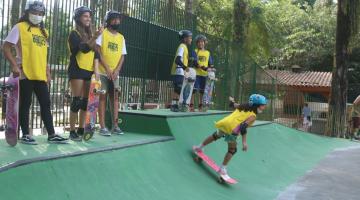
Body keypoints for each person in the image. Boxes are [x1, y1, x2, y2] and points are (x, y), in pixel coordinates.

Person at [2, 0, 68, 144]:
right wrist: (14, 65)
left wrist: (47, 72)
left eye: (40, 14)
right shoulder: (19, 27)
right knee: (26, 104)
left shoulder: (44, 32)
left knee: (46, 103)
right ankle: (25, 134)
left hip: (40, 74)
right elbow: (6, 47)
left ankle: (52, 134)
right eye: (34, 13)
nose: (37, 16)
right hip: (24, 72)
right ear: (27, 13)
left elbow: (42, 54)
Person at [193, 94, 267, 176]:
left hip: (225, 123)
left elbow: (233, 104)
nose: (264, 107)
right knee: (232, 150)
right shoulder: (253, 115)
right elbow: (243, 127)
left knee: (215, 136)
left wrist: (231, 100)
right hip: (232, 130)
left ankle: (199, 147)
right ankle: (223, 168)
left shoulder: (242, 106)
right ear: (256, 105)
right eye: (263, 105)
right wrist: (244, 142)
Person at [67, 6, 102, 141]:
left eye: (89, 16)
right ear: (78, 18)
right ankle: (71, 131)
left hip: (89, 71)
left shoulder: (90, 34)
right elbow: (84, 49)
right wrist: (94, 37)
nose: (88, 19)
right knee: (76, 101)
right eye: (85, 16)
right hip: (77, 70)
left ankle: (81, 129)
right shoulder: (74, 34)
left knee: (85, 102)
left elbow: (96, 54)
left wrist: (97, 70)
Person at [96, 10, 126, 136]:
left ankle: (115, 125)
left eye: (118, 19)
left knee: (115, 99)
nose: (116, 21)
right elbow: (98, 52)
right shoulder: (103, 33)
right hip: (103, 73)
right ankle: (102, 127)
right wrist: (107, 68)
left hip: (115, 74)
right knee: (102, 98)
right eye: (114, 19)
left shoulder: (121, 37)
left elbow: (122, 56)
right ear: (108, 21)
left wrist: (117, 70)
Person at [169, 30, 193, 112]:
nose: (191, 39)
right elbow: (177, 60)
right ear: (185, 39)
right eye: (190, 38)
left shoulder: (184, 47)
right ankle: (179, 104)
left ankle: (174, 105)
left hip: (180, 71)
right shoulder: (182, 46)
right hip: (178, 71)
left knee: (177, 89)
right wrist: (184, 67)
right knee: (179, 89)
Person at [191, 34, 214, 111]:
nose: (200, 43)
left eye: (202, 42)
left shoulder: (208, 53)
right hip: (196, 74)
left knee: (202, 91)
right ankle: (191, 105)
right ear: (196, 43)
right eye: (198, 42)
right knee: (194, 90)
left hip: (204, 75)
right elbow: (195, 63)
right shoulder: (195, 51)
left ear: (204, 43)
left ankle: (201, 106)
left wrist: (212, 69)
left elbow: (210, 63)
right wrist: (204, 68)